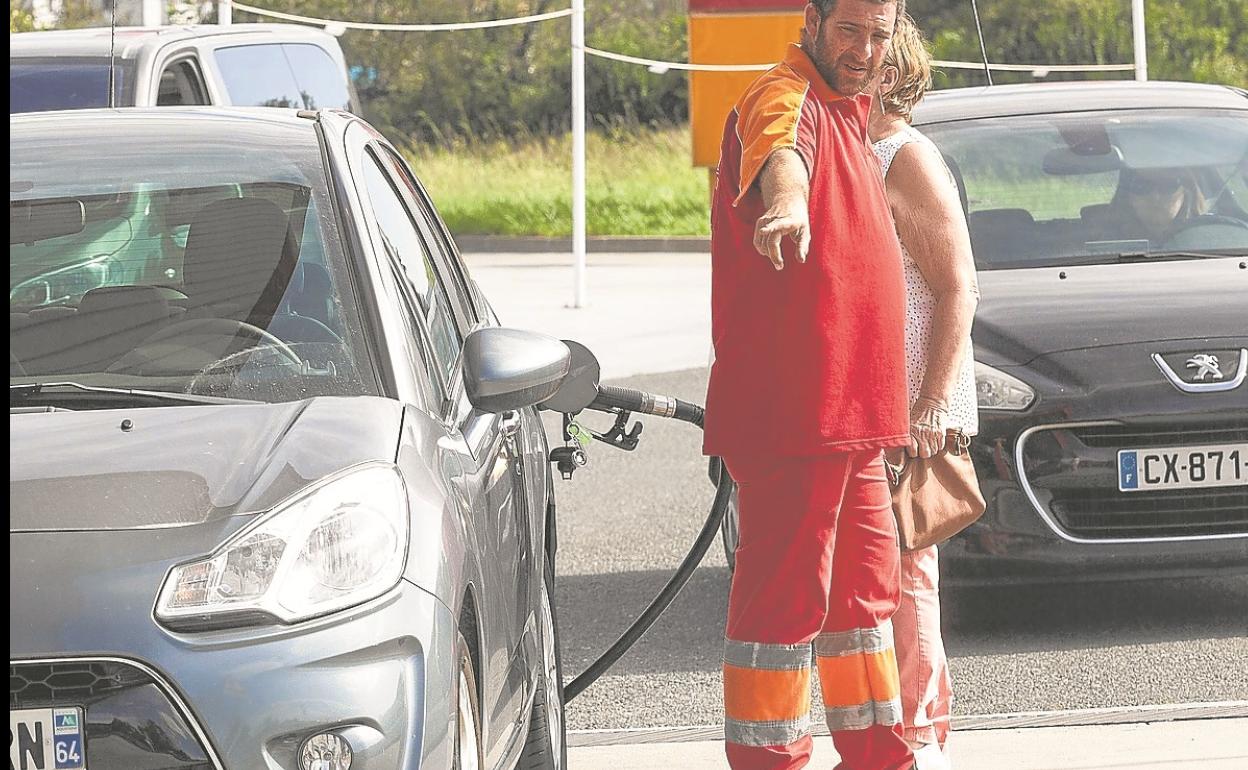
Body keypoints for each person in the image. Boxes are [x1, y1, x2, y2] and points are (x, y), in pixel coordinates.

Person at [704, 1, 914, 768]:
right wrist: (787, 202)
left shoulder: (852, 110)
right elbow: (780, 151)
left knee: (863, 609)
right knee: (781, 612)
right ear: (814, 23)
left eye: (877, 33)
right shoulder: (783, 93)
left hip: (853, 420)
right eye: (848, 30)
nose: (863, 48)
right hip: (798, 416)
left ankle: (879, 757)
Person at [866, 15, 979, 770]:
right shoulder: (858, 150)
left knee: (908, 582)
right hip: (875, 411)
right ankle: (898, 735)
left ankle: (921, 742)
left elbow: (956, 286)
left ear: (887, 69)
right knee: (882, 584)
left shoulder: (907, 155)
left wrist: (932, 404)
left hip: (913, 412)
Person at [1105, 167, 1207, 245]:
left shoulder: (1208, 243)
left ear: (1186, 193)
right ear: (1127, 196)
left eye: (1168, 185)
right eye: (1142, 186)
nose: (1155, 196)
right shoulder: (1103, 245)